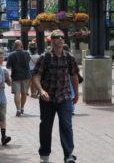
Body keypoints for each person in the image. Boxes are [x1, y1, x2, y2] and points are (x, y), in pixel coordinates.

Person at [33, 29, 79, 163]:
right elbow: (36, 76)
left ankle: (68, 155)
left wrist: (76, 94)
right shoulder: (44, 57)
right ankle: (45, 154)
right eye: (57, 37)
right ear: (52, 40)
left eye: (62, 37)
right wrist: (41, 91)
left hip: (64, 97)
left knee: (66, 125)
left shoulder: (69, 57)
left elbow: (74, 76)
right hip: (48, 98)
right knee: (46, 127)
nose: (60, 39)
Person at [6, 40, 31, 117]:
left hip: (16, 76)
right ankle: (22, 108)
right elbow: (28, 61)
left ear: (14, 45)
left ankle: (18, 110)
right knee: (24, 93)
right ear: (21, 45)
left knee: (17, 93)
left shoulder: (11, 55)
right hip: (26, 76)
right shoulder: (26, 53)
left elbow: (8, 66)